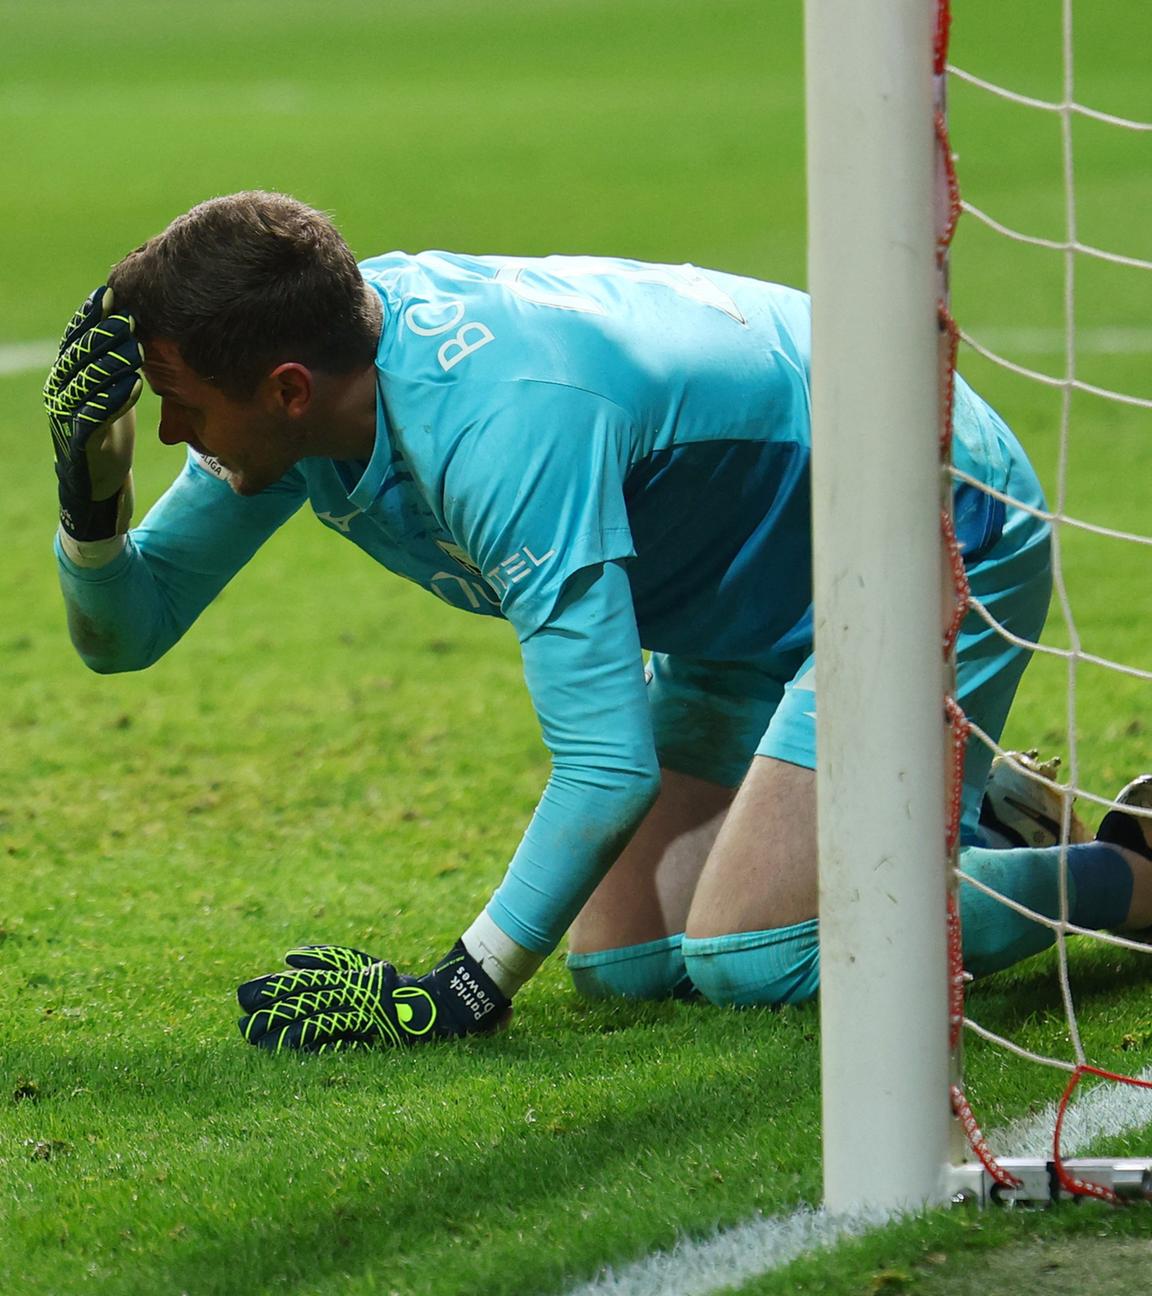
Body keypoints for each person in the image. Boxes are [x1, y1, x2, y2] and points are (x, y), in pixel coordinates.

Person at [45, 191, 1152, 1051]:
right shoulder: (320, 373)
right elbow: (131, 630)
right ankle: (988, 825)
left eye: (179, 403)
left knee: (754, 953)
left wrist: (463, 985)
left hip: (929, 519)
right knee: (625, 960)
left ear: (287, 389)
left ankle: (1124, 870)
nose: (174, 431)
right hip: (752, 595)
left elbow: (604, 766)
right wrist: (90, 496)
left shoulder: (503, 431)